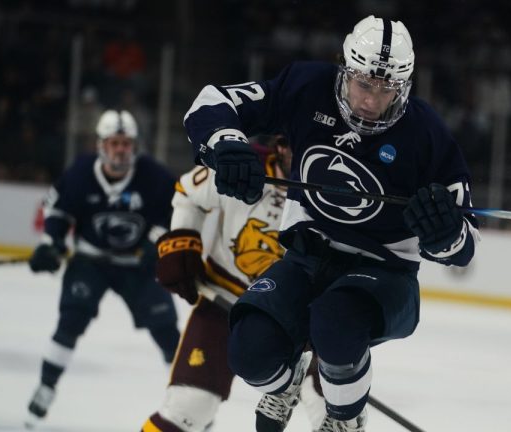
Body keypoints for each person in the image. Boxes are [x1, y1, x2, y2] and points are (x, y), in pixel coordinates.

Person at [184, 15, 480, 432]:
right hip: (307, 258)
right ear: (345, 69)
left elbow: (465, 244)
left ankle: (344, 418)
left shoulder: (427, 135)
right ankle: (285, 386)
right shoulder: (307, 87)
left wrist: (446, 235)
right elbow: (212, 100)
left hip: (384, 273)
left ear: (405, 86)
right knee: (250, 349)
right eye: (363, 84)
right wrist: (225, 142)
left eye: (385, 89)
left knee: (335, 323)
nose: (370, 102)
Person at [141, 135, 326, 432]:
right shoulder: (243, 165)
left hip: (297, 320)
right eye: (298, 145)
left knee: (328, 414)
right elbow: (188, 192)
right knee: (188, 406)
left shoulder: (336, 185)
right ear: (280, 145)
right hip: (223, 302)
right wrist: (182, 241)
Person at [25, 109, 181, 427]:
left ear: (135, 146)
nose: (120, 149)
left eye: (126, 143)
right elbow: (57, 210)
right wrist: (50, 243)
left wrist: (157, 241)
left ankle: (186, 401)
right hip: (90, 261)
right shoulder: (81, 172)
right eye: (114, 143)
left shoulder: (154, 176)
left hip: (137, 265)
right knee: (71, 319)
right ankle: (46, 386)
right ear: (101, 145)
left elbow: (181, 210)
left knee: (167, 330)